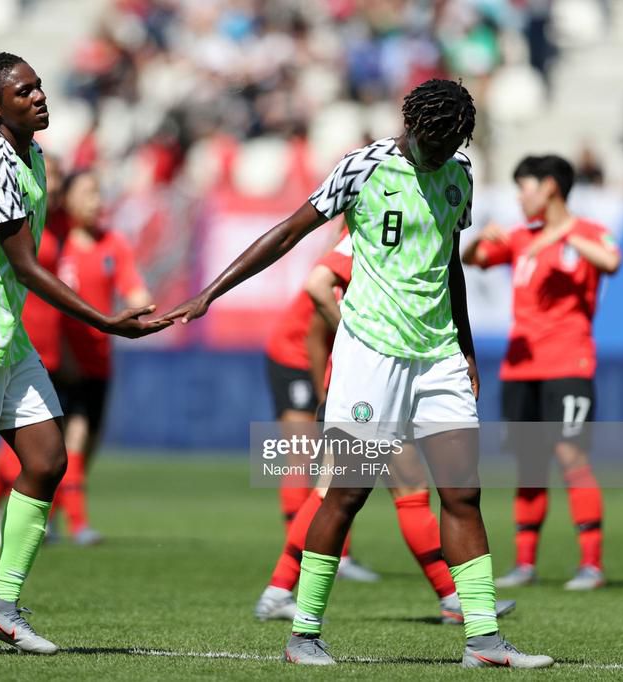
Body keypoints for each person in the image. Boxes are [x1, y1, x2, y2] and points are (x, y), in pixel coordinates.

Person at [162, 79, 553, 668]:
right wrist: (210, 294)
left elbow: (450, 265)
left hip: (439, 357)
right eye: (436, 141)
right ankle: (304, 636)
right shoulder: (362, 168)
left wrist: (466, 349)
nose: (444, 152)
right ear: (414, 127)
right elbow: (288, 233)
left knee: (464, 494)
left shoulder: (460, 175)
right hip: (371, 355)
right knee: (346, 493)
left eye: (454, 143)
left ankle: (484, 641)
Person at [0, 52, 169, 657]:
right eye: (25, 92)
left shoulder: (35, 155)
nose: (40, 97)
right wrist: (103, 321)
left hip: (4, 334)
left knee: (47, 460)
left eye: (40, 86)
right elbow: (25, 263)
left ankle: (0, 609)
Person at [256, 231, 515, 626]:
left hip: (380, 376)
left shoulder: (404, 219)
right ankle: (284, 597)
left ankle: (451, 597)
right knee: (333, 485)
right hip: (361, 380)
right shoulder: (374, 227)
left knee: (389, 487)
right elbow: (316, 293)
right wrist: (338, 370)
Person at [463, 154, 620, 591]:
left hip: (568, 364)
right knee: (529, 465)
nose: (520, 197)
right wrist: (480, 238)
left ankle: (591, 565)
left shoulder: (585, 232)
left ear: (549, 186)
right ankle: (526, 564)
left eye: (525, 186)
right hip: (520, 367)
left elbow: (611, 262)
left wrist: (561, 234)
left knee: (572, 457)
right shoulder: (519, 237)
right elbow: (470, 258)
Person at [262, 230, 379, 584]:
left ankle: (336, 555)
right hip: (295, 357)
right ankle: (294, 555)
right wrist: (324, 395)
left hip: (330, 363)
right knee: (302, 455)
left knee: (343, 468)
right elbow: (315, 334)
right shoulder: (356, 248)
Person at [0, 152, 67, 549]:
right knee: (28, 441)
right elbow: (24, 269)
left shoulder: (64, 226)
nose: (56, 184)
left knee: (54, 444)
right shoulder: (13, 211)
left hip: (53, 340)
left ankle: (37, 513)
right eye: (53, 176)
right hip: (18, 332)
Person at [54, 169, 152, 545]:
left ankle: (49, 516)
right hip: (61, 362)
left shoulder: (113, 243)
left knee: (84, 448)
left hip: (98, 363)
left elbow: (134, 290)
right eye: (88, 192)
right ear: (69, 199)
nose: (97, 201)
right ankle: (78, 526)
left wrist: (146, 308)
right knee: (68, 441)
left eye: (99, 193)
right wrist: (62, 356)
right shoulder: (57, 245)